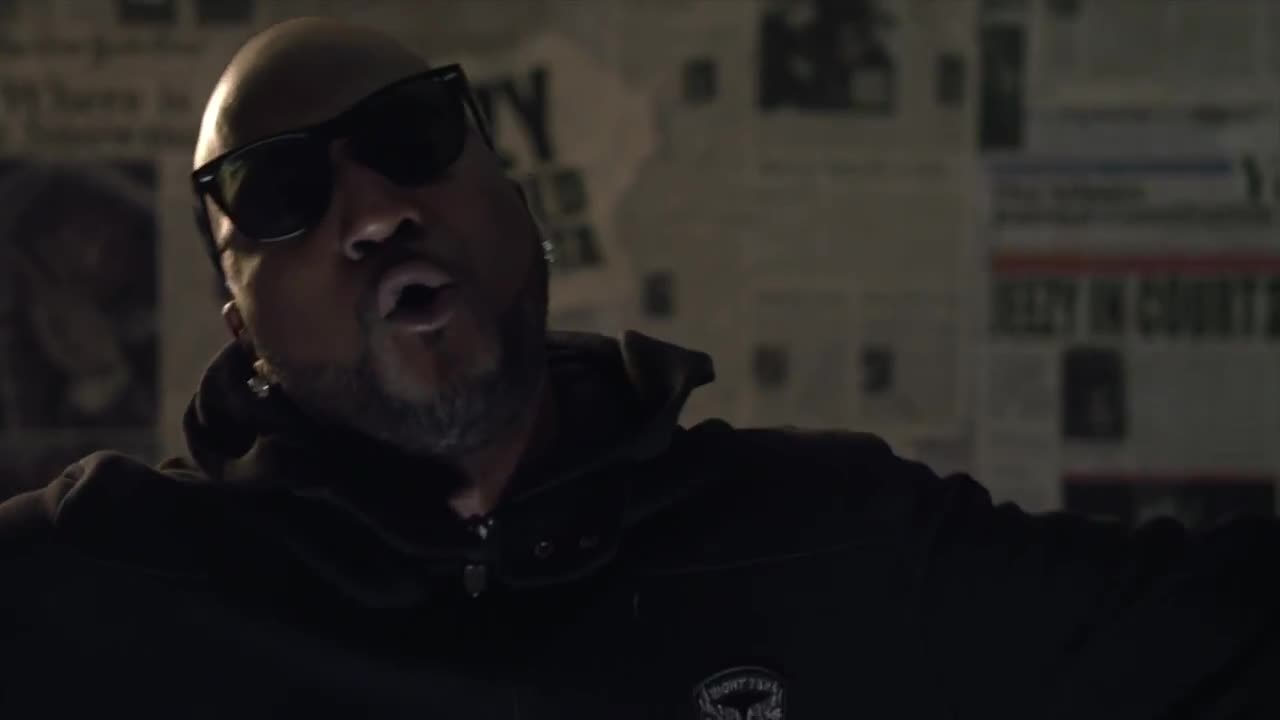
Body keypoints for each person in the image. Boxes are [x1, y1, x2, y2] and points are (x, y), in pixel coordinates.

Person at [1, 17, 1278, 720]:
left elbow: (1210, 633)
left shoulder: (821, 544)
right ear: (237, 320)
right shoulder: (104, 580)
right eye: (279, 194)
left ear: (515, 201)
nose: (376, 210)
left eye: (412, 137)